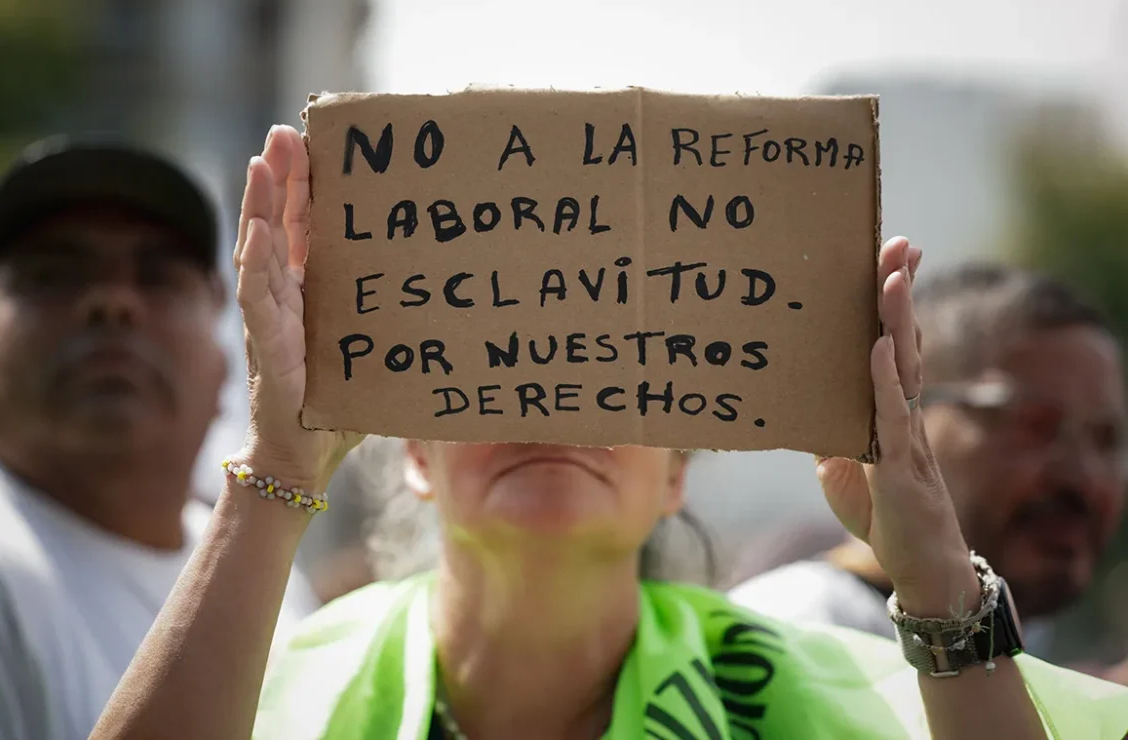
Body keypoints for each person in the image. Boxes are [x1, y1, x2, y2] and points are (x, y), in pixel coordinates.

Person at [91, 125, 1128, 740]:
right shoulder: (272, 695)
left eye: (618, 373)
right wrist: (278, 468)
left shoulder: (821, 699)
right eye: (499, 361)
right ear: (412, 454)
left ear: (678, 476)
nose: (558, 402)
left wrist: (938, 578)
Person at [0, 136, 319, 740]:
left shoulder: (277, 582)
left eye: (158, 277)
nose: (113, 301)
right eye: (54, 275)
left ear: (223, 371)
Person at [729, 263, 1126, 654]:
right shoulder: (786, 640)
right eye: (1034, 425)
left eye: (1107, 440)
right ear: (895, 412)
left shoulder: (1041, 653)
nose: (1084, 476)